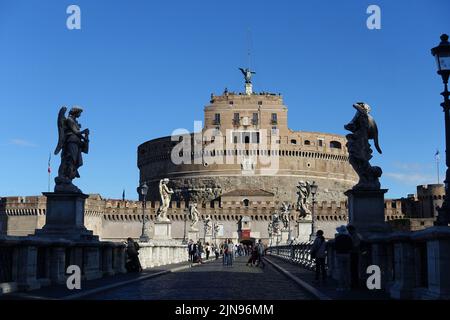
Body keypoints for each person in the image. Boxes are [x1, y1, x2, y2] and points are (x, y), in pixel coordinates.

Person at [334, 225, 353, 291]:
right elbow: (351, 246)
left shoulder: (338, 238)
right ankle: (348, 286)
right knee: (347, 271)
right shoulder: (349, 237)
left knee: (340, 271)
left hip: (339, 254)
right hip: (347, 254)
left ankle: (341, 286)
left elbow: (335, 247)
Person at [347, 224, 362, 289]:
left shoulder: (353, 236)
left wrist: (352, 247)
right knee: (354, 269)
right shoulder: (357, 235)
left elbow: (357, 244)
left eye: (349, 230)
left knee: (354, 269)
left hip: (354, 253)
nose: (348, 231)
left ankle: (355, 284)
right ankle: (354, 283)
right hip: (354, 253)